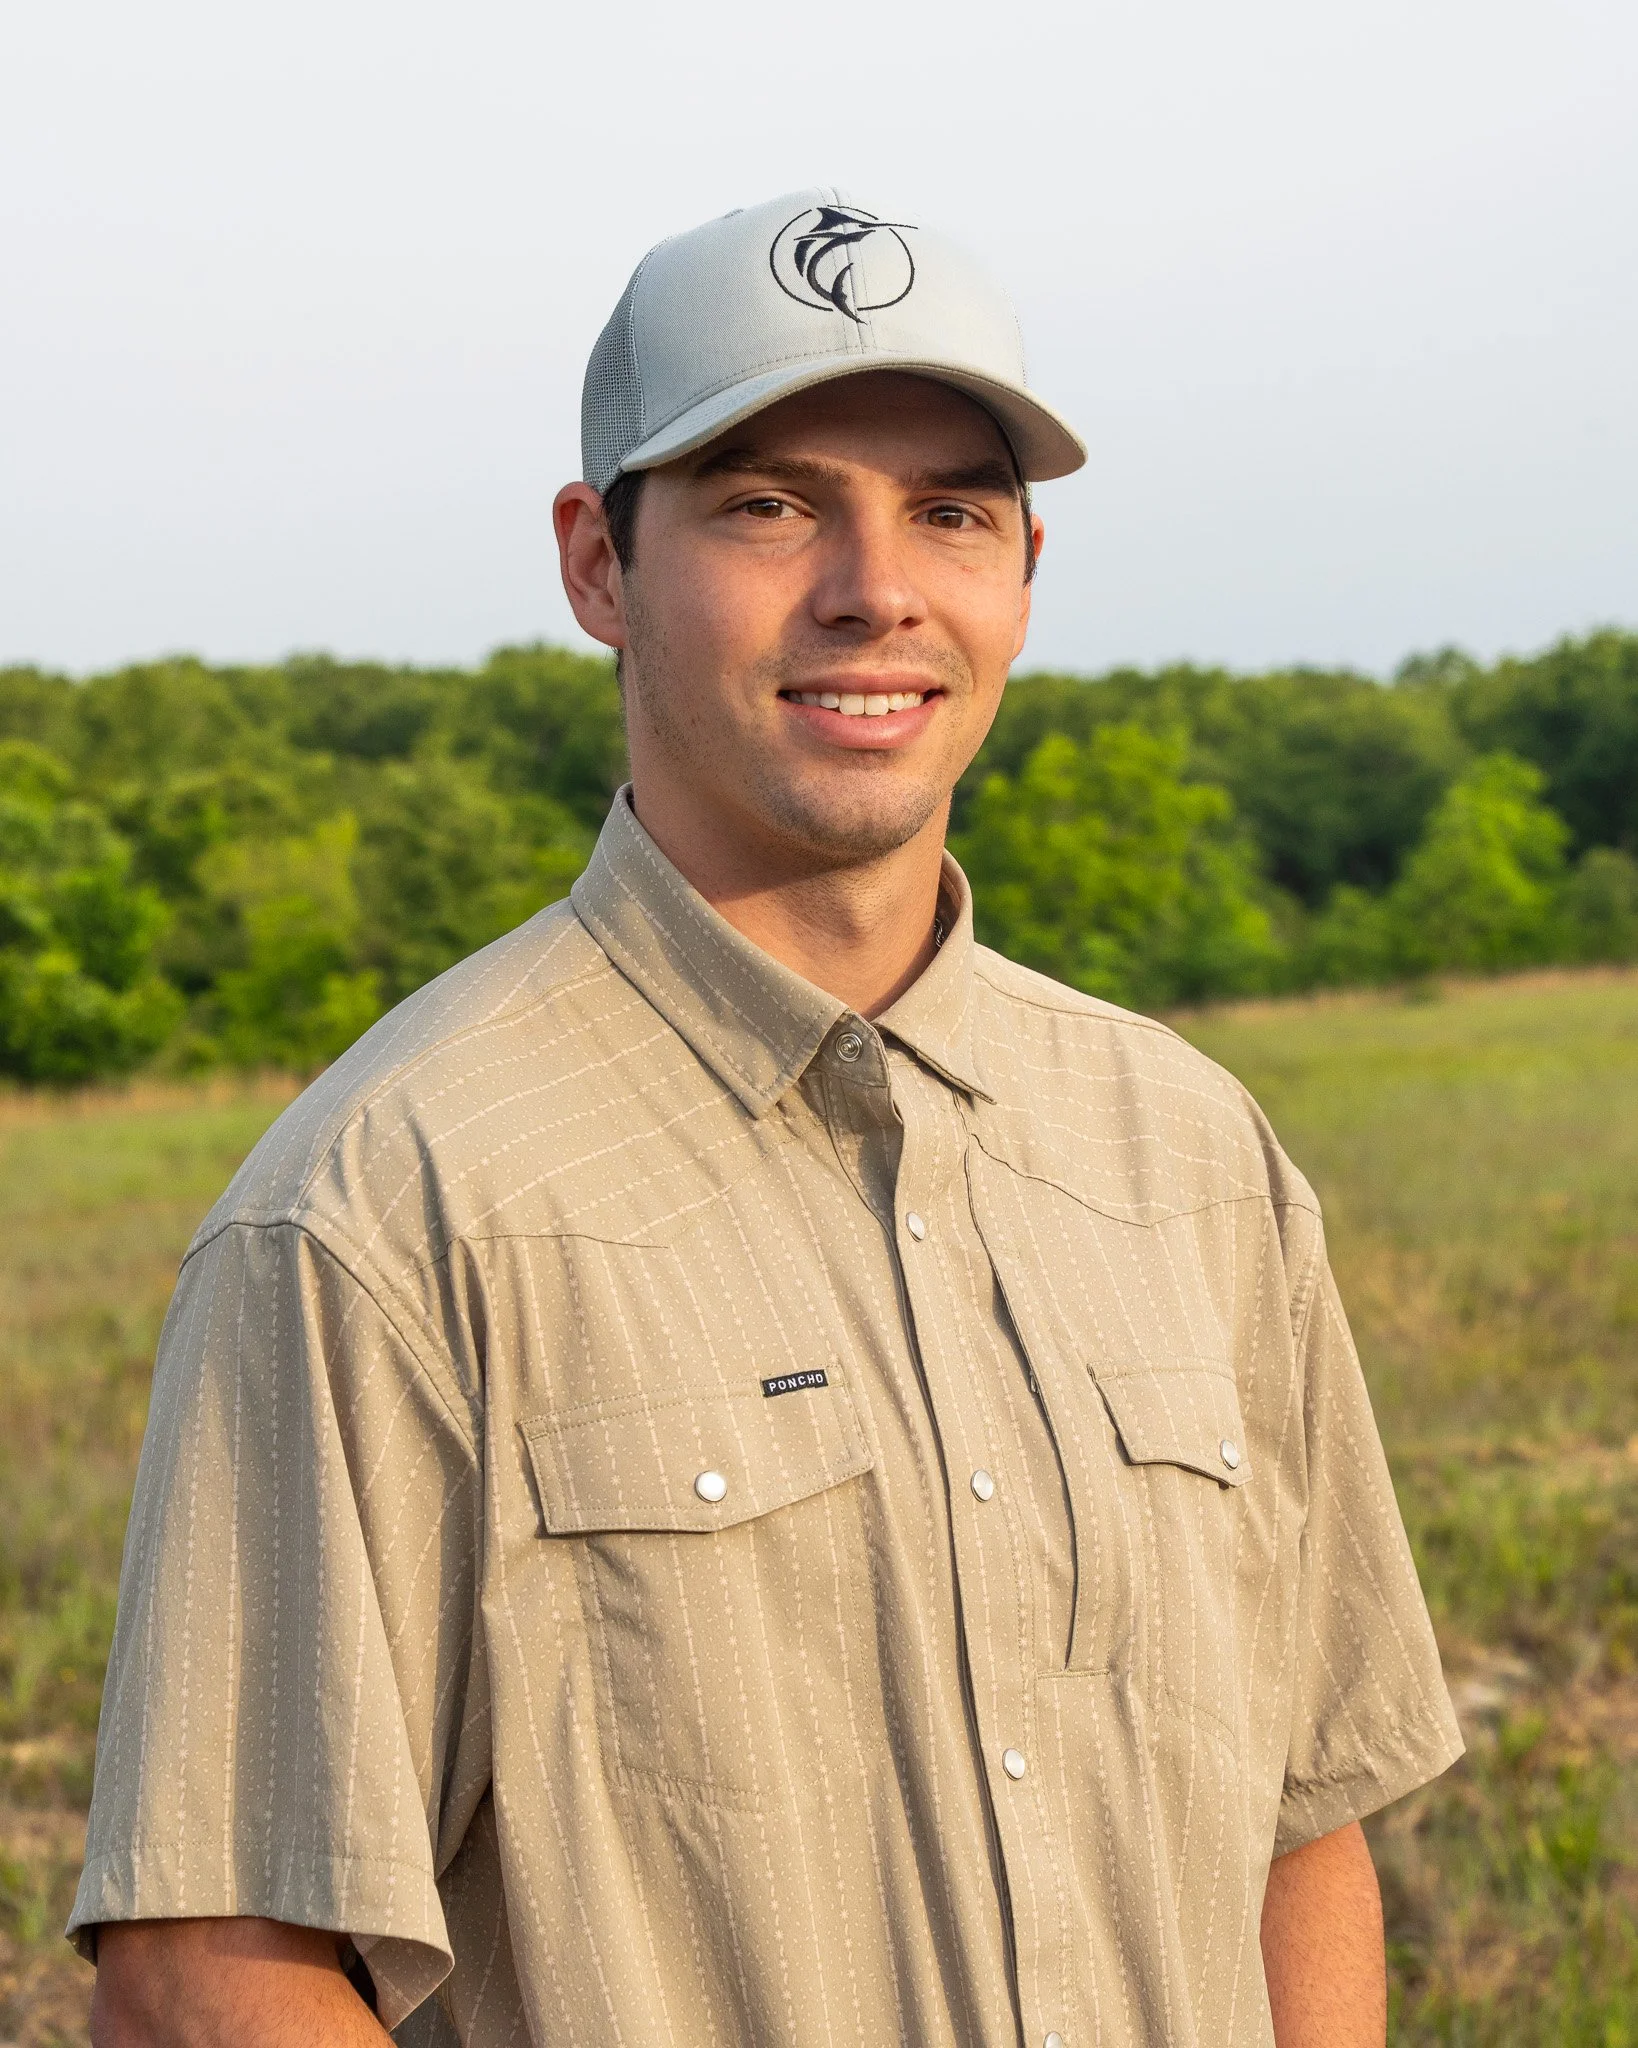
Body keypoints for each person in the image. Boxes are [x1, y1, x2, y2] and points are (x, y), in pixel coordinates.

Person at [75, 187, 1462, 2047]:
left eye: (948, 511)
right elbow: (207, 1977)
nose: (873, 587)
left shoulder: (1194, 1156)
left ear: (1023, 582)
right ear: (595, 565)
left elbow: (1303, 1825)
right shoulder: (382, 1205)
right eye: (767, 502)